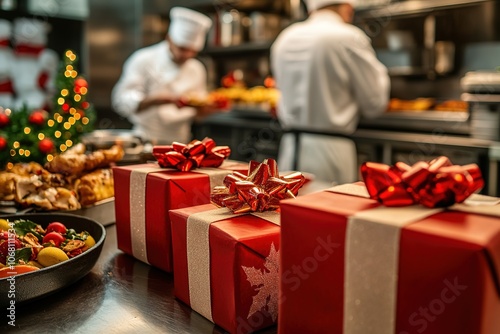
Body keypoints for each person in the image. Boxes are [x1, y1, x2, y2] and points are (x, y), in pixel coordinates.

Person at [270, 0, 390, 185]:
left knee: (286, 210)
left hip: (289, 147)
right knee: (327, 209)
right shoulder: (348, 36)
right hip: (332, 151)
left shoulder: (285, 37)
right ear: (347, 8)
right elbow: (375, 103)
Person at [111, 7, 214, 144]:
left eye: (192, 51)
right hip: (145, 140)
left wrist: (207, 110)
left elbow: (197, 116)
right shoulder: (143, 59)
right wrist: (155, 100)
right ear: (169, 39)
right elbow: (121, 101)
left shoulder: (197, 68)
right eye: (182, 49)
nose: (186, 55)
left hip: (182, 142)